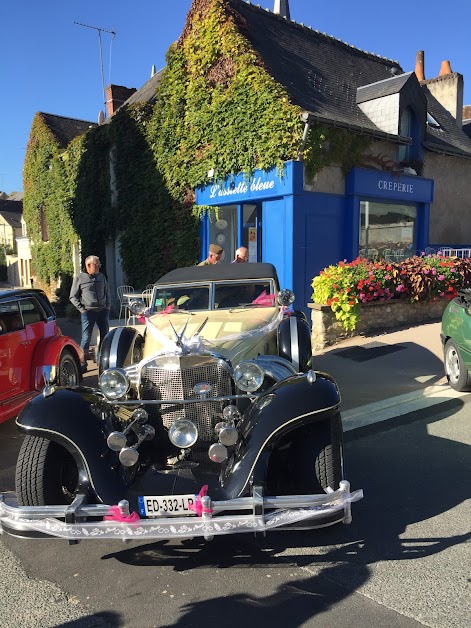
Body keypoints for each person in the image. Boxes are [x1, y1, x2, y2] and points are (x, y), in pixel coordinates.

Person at [70, 255, 110, 369]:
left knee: (105, 335)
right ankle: (82, 362)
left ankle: (101, 360)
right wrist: (82, 309)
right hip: (88, 312)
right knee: (86, 337)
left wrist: (108, 306)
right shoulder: (79, 278)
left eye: (99, 265)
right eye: (97, 265)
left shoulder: (101, 276)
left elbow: (107, 292)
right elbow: (73, 297)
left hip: (102, 311)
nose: (99, 267)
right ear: (88, 265)